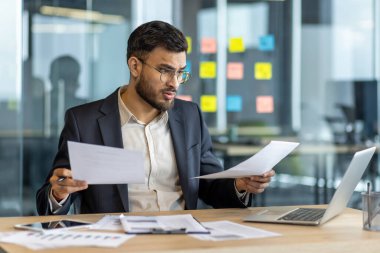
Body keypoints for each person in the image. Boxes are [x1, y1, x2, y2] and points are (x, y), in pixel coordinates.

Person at [36, 20, 275, 215]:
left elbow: (209, 185)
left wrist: (239, 185)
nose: (174, 82)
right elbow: (53, 195)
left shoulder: (190, 116)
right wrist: (59, 193)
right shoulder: (83, 122)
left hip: (183, 240)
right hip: (119, 243)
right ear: (135, 66)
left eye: (181, 73)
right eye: (165, 71)